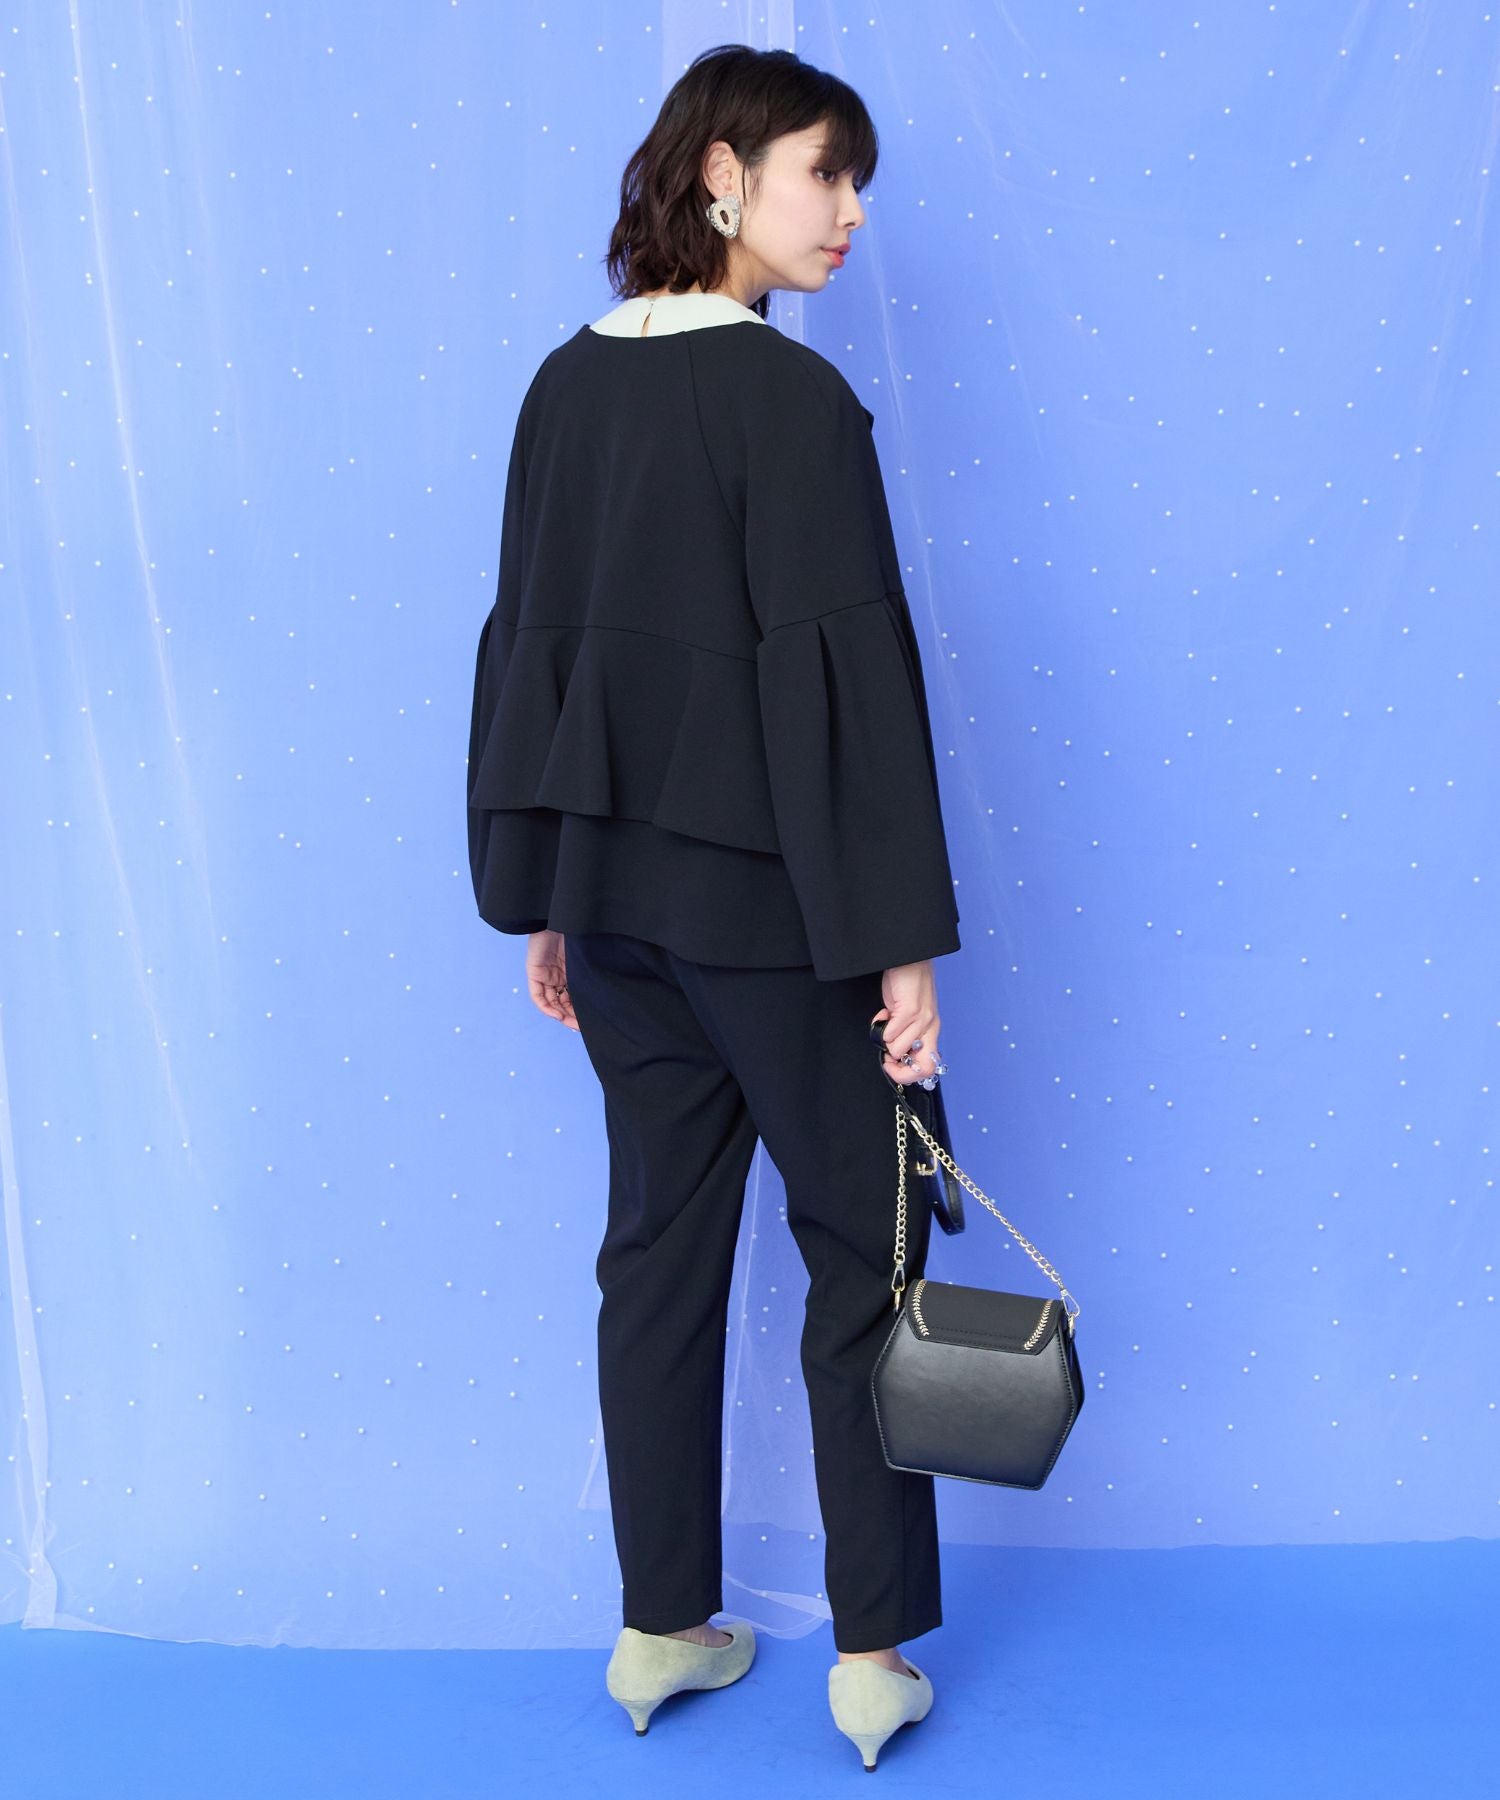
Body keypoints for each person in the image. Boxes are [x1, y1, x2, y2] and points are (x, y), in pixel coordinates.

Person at [466, 45, 958, 1770]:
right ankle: (872, 1652)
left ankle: (660, 1625)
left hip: (615, 912)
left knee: (657, 1261)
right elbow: (850, 690)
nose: (853, 210)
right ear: (726, 175)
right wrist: (901, 944)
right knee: (864, 1255)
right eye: (829, 171)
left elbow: (536, 654)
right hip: (780, 916)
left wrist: (546, 894)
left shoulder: (561, 388)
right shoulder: (790, 401)